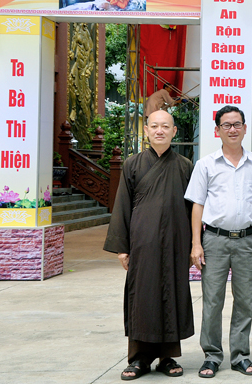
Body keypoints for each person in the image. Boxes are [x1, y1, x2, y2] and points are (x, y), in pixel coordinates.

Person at [104, 110, 194, 380]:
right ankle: (139, 358)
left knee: (172, 293)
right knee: (142, 296)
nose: (159, 131)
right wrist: (123, 247)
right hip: (143, 242)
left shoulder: (185, 166)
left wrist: (194, 244)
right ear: (146, 130)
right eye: (154, 126)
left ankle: (167, 356)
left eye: (165, 126)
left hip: (176, 241)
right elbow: (122, 205)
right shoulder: (132, 164)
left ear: (174, 131)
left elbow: (194, 209)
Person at [185, 105, 252, 378]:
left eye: (237, 124)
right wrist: (196, 243)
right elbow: (197, 205)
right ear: (217, 130)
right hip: (214, 240)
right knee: (212, 300)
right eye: (226, 125)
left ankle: (240, 355)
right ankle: (211, 355)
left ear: (245, 128)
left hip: (247, 241)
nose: (232, 129)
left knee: (245, 301)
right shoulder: (206, 164)